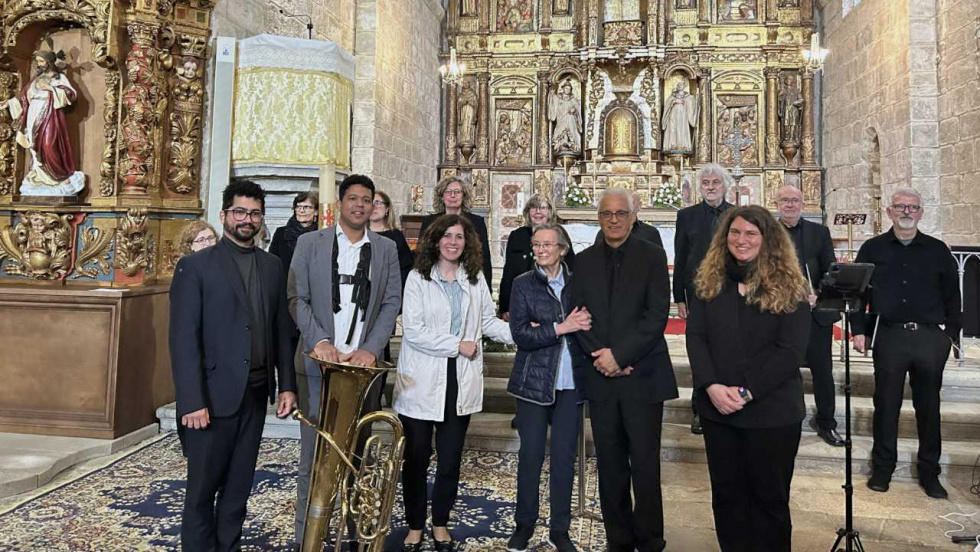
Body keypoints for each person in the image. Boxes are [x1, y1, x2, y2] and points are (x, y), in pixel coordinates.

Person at [169, 180, 297, 552]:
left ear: (261, 220)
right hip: (210, 398)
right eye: (240, 212)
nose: (247, 219)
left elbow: (280, 331)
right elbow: (182, 339)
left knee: (238, 488)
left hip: (255, 395)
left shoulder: (272, 266)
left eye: (254, 213)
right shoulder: (195, 267)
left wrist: (286, 384)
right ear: (224, 215)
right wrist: (191, 401)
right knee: (201, 493)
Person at [685, 205, 811, 552]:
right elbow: (695, 336)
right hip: (718, 411)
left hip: (772, 413)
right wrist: (710, 385)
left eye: (751, 234)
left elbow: (790, 351)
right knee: (727, 497)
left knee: (769, 500)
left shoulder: (789, 287)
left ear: (767, 239)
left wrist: (746, 391)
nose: (742, 240)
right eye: (735, 232)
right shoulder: (710, 283)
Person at [287, 174, 403, 545]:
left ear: (373, 206)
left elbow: (390, 303)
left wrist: (371, 348)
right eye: (352, 198)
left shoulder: (385, 249)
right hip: (318, 366)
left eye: (366, 200)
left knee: (359, 457)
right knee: (314, 459)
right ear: (340, 203)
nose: (359, 205)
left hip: (361, 370)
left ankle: (353, 536)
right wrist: (319, 340)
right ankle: (309, 537)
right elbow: (297, 298)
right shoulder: (309, 243)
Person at [393, 214, 514, 551]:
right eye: (446, 236)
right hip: (421, 377)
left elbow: (488, 321)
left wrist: (526, 332)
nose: (452, 242)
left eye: (459, 237)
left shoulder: (474, 280)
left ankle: (441, 522)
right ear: (434, 240)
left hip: (459, 379)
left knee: (450, 458)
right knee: (416, 457)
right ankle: (415, 525)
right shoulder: (418, 278)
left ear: (467, 243)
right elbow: (414, 331)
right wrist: (456, 345)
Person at [569, 188, 678, 552]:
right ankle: (618, 538)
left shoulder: (652, 256)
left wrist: (621, 356)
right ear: (598, 218)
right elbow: (578, 316)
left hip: (643, 377)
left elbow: (656, 316)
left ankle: (649, 540)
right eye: (606, 214)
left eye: (620, 213)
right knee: (611, 465)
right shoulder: (583, 262)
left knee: (645, 466)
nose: (613, 219)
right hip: (601, 378)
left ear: (633, 217)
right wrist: (602, 357)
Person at [852, 188, 961, 499]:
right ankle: (883, 468)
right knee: (886, 405)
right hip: (889, 335)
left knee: (929, 408)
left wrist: (948, 336)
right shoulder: (872, 249)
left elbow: (953, 295)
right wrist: (859, 330)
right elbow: (859, 295)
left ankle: (929, 473)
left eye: (912, 207)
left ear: (921, 213)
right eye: (900, 206)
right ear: (889, 212)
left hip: (929, 338)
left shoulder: (938, 250)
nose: (906, 211)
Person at [506, 223, 590, 552]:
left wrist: (551, 328)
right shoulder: (522, 284)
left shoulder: (579, 284)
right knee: (530, 457)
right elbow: (521, 335)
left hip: (572, 384)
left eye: (547, 245)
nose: (540, 250)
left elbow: (588, 323)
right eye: (536, 245)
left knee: (564, 460)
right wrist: (561, 327)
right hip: (533, 383)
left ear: (563, 249)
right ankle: (524, 525)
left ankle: (560, 530)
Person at [775, 185, 844, 447]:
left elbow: (831, 270)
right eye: (785, 200)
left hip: (815, 314)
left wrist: (820, 296)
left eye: (794, 200)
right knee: (782, 369)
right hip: (780, 315)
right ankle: (784, 419)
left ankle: (827, 423)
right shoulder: (769, 233)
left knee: (822, 371)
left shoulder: (819, 232)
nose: (790, 205)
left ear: (802, 203)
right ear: (777, 203)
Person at [674, 163, 735, 434]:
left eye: (715, 183)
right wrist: (679, 297)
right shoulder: (686, 216)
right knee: (699, 351)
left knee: (727, 348)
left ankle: (728, 400)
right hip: (698, 293)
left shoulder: (737, 214)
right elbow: (680, 256)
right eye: (706, 183)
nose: (710, 187)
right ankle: (700, 408)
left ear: (725, 186)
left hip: (730, 292)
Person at [6, 47, 84, 195]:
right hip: (33, 114)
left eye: (41, 61)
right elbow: (23, 97)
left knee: (49, 144)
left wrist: (51, 88)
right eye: (37, 62)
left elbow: (71, 94)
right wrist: (9, 103)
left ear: (49, 62)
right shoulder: (36, 79)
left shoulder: (58, 78)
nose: (39, 64)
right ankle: (40, 177)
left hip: (49, 114)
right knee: (35, 146)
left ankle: (58, 176)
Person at [499, 194, 577, 322]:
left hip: (553, 298)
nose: (538, 211)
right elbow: (509, 272)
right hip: (523, 298)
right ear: (528, 212)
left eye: (542, 208)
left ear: (550, 212)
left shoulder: (560, 234)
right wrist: (504, 307)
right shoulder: (517, 235)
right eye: (533, 207)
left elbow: (571, 267)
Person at [419, 176, 493, 286]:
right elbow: (422, 253)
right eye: (448, 191)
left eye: (457, 192)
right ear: (441, 196)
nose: (452, 195)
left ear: (464, 196)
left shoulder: (477, 222)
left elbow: (484, 257)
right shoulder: (429, 222)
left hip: (468, 277)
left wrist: (486, 287)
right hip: (435, 278)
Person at [270, 191, 319, 287]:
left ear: (316, 211)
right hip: (287, 288)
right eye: (298, 207)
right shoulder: (281, 233)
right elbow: (272, 264)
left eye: (307, 207)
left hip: (315, 288)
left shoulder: (322, 234)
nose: (301, 211)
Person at [369, 190, 414, 291]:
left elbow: (405, 268)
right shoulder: (359, 234)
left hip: (390, 291)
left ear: (387, 209)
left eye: (377, 203)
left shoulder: (396, 236)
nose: (373, 207)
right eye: (369, 202)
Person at [593, 189, 663, 249]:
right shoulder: (605, 232)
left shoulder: (651, 232)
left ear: (640, 205)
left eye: (632, 202)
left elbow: (659, 261)